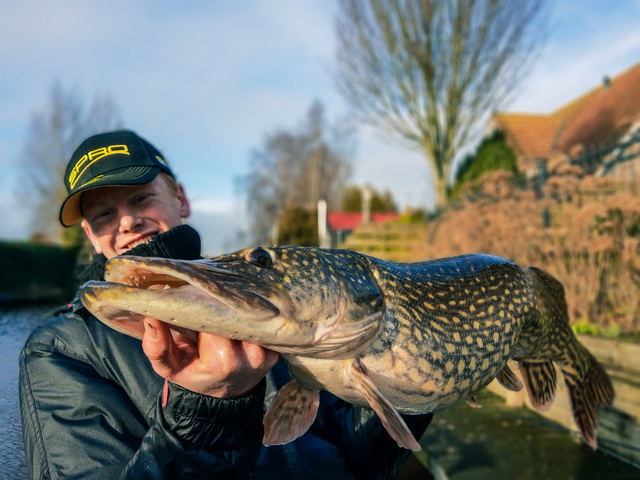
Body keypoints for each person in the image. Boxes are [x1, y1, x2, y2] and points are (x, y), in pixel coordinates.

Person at [19, 130, 432, 479]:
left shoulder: (277, 306)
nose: (127, 221)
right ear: (91, 235)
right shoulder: (60, 351)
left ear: (179, 198)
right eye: (106, 214)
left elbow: (365, 459)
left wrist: (411, 380)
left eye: (141, 199)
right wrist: (204, 411)